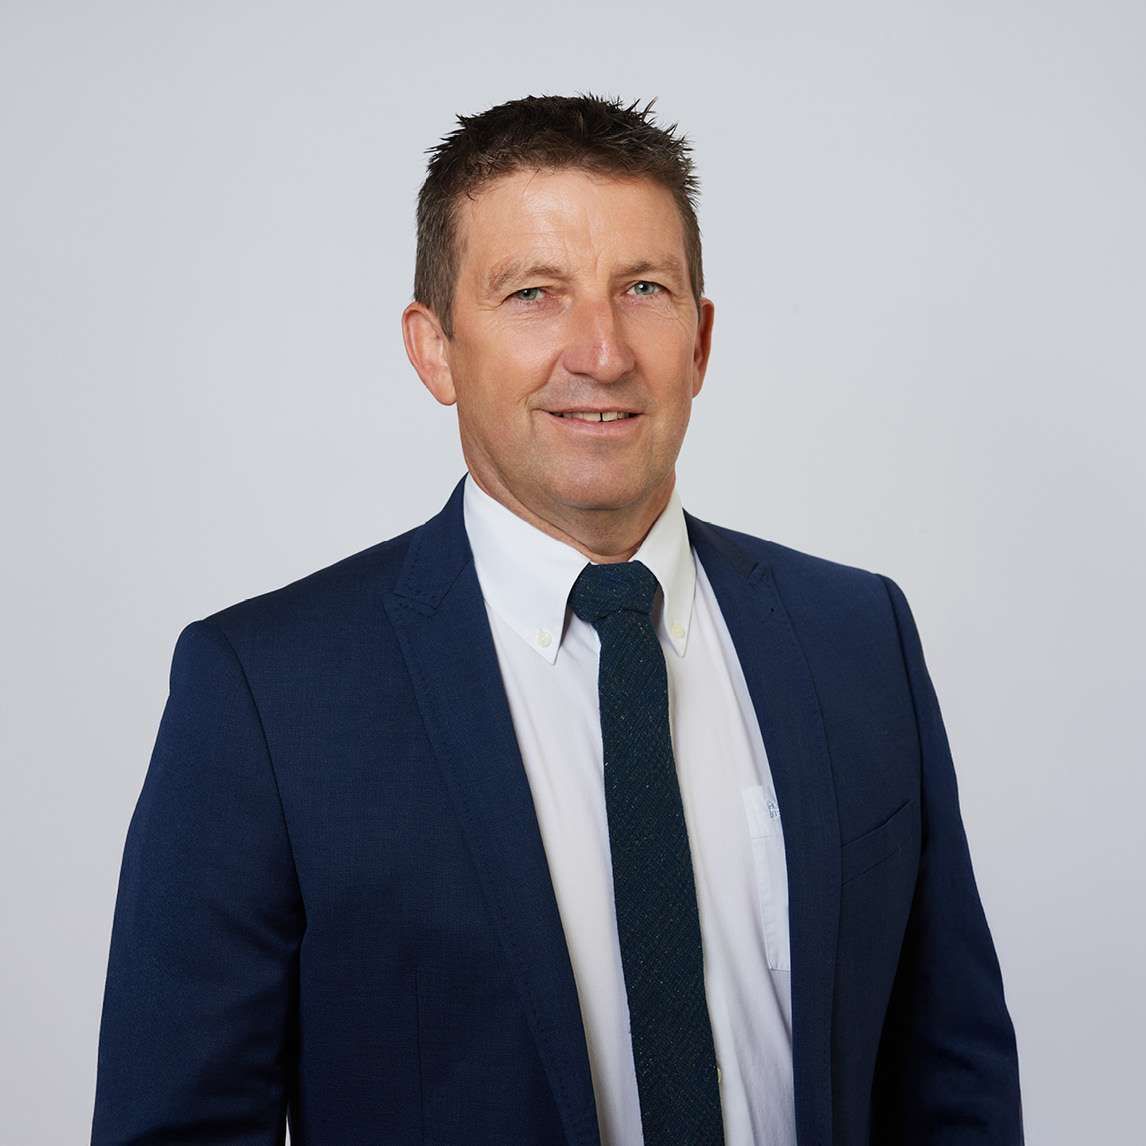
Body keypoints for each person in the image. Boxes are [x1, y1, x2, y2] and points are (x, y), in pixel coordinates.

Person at [90, 94, 1024, 1145]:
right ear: (435, 349)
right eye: (534, 294)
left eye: (644, 289)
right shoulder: (267, 693)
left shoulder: (858, 637)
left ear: (700, 340)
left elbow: (952, 1082)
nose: (602, 351)